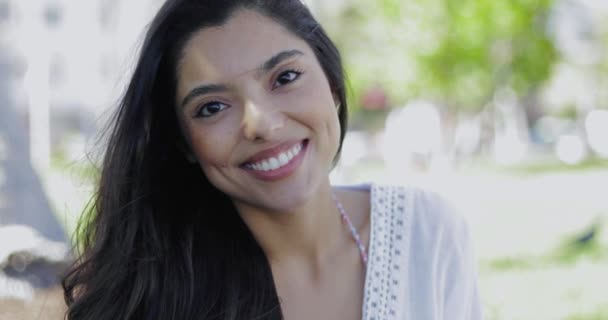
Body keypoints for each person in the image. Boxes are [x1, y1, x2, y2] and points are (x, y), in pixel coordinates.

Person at [62, 0, 482, 319]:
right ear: (184, 143)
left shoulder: (428, 233)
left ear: (332, 85)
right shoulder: (154, 295)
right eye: (211, 107)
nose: (259, 123)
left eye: (284, 78)